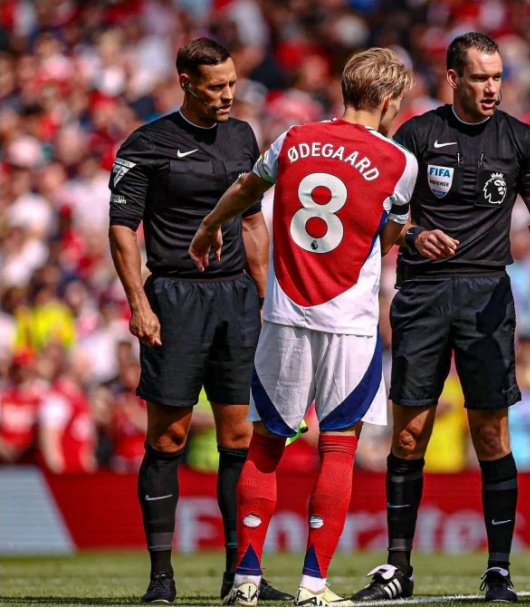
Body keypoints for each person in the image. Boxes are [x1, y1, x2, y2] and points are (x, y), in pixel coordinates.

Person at [189, 47, 419, 607]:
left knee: (266, 444)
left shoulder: (292, 139)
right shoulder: (399, 161)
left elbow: (247, 187)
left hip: (286, 314)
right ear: (388, 101)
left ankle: (245, 579)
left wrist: (207, 228)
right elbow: (387, 240)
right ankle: (314, 586)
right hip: (349, 324)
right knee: (338, 449)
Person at [351, 32, 530, 604]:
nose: (492, 87)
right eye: (480, 77)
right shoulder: (417, 136)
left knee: (490, 432)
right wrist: (417, 233)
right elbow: (382, 221)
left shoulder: (520, 140)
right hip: (422, 295)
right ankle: (398, 567)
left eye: (497, 77)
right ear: (454, 77)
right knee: (411, 432)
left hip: (487, 296)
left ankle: (498, 568)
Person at [107, 38, 290, 604]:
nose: (228, 95)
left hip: (236, 301)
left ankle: (243, 578)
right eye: (216, 86)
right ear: (186, 81)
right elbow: (121, 229)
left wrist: (267, 300)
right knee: (169, 436)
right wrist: (139, 302)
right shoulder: (146, 144)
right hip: (175, 299)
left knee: (240, 436)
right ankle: (161, 578)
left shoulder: (242, 136)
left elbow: (255, 224)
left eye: (232, 84)